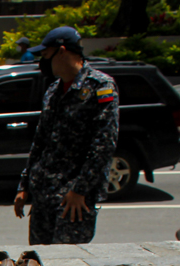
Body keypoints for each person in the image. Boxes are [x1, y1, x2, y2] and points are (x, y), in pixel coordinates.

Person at [14, 26, 118, 245]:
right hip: (44, 194)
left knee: (66, 264)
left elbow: (103, 145)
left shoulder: (100, 87)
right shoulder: (53, 90)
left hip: (73, 199)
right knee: (38, 265)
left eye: (45, 55)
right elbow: (40, 141)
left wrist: (80, 190)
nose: (42, 62)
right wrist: (24, 186)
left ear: (61, 51)